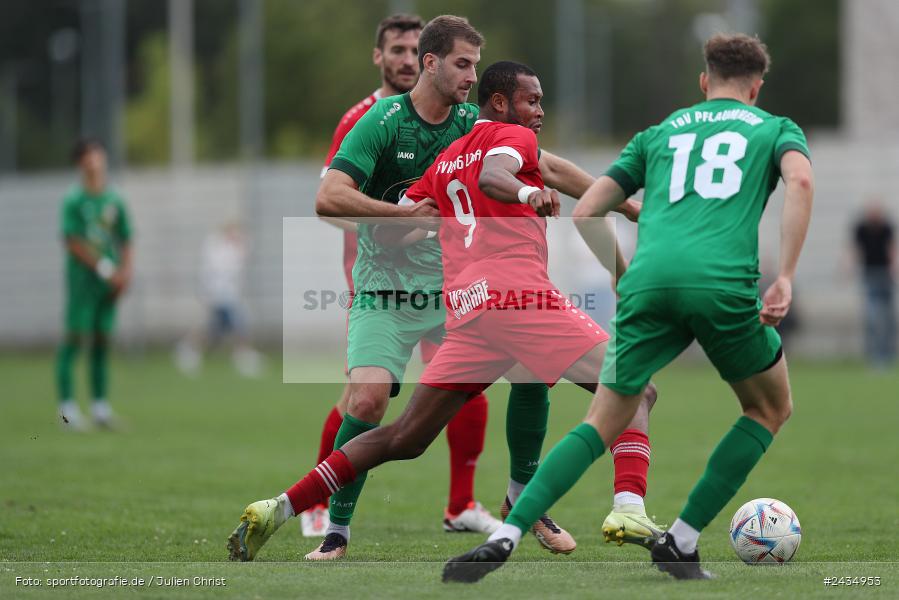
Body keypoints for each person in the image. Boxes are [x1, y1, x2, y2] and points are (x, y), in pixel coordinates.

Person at [226, 60, 661, 564]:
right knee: (636, 387)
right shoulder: (510, 137)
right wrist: (526, 193)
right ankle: (627, 505)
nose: (539, 112)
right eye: (532, 101)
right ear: (500, 103)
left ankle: (280, 506)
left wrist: (418, 225)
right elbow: (501, 176)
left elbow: (394, 230)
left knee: (403, 437)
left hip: (468, 311)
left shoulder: (447, 159)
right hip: (516, 297)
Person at [443, 33, 814, 583]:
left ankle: (506, 534)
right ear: (756, 89)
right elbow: (801, 180)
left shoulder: (660, 133)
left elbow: (589, 210)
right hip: (722, 283)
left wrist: (624, 277)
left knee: (604, 418)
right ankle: (682, 543)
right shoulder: (776, 128)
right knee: (768, 408)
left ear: (704, 83)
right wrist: (783, 275)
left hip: (650, 281)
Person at [302, 13, 499, 541]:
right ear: (380, 57)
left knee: (467, 388)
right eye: (398, 51)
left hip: (445, 282)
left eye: (414, 50)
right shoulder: (368, 117)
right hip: (376, 274)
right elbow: (333, 201)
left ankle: (461, 504)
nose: (407, 60)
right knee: (362, 398)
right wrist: (397, 227)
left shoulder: (463, 117)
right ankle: (319, 502)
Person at [56, 138, 133, 431]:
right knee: (74, 340)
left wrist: (125, 273)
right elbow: (72, 241)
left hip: (108, 282)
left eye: (96, 154)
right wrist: (104, 268)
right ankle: (66, 411)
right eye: (86, 156)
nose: (93, 160)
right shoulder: (74, 200)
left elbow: (126, 237)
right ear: (80, 164)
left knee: (102, 340)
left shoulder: (114, 198)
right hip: (83, 281)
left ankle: (100, 408)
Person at [173, 222, 263, 377]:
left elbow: (244, 256)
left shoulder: (233, 249)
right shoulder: (218, 249)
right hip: (219, 295)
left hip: (229, 296)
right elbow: (217, 273)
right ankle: (242, 356)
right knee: (237, 325)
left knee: (214, 329)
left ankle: (188, 349)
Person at [853, 201, 896, 367]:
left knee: (888, 319)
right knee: (871, 318)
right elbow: (856, 250)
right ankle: (874, 356)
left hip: (885, 275)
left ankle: (887, 355)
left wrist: (894, 268)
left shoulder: (887, 227)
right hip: (869, 275)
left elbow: (891, 249)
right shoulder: (862, 228)